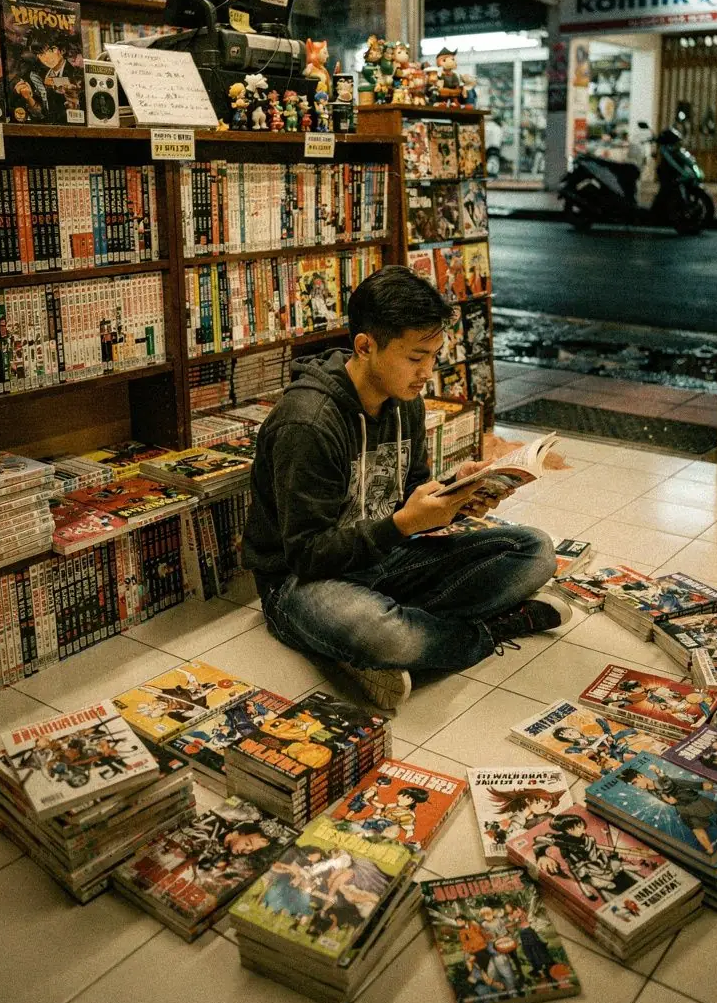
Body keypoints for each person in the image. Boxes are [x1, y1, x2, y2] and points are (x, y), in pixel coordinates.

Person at [242, 265, 566, 709]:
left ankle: (401, 646)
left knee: (534, 550)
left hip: (384, 560)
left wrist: (458, 493)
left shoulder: (404, 403)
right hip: (300, 583)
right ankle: (486, 631)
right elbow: (307, 554)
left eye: (433, 356)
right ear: (365, 346)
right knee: (378, 631)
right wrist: (400, 526)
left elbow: (410, 489)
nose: (426, 372)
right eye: (416, 357)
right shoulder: (309, 423)